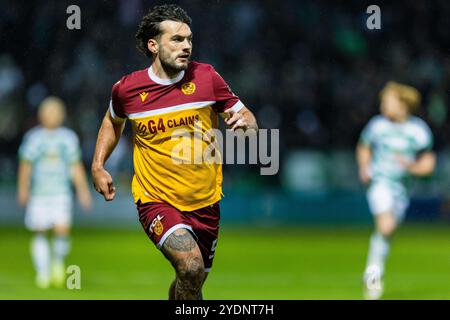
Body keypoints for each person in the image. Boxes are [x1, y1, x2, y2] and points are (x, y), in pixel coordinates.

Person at [91, 4, 258, 300]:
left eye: (189, 39)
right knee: (190, 266)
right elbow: (112, 121)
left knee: (190, 283)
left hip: (205, 204)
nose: (187, 46)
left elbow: (247, 119)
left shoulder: (207, 78)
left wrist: (245, 124)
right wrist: (98, 165)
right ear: (153, 45)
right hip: (156, 199)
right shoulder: (127, 89)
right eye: (177, 40)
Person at [356, 81, 436, 300]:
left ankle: (373, 270)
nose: (383, 105)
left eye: (388, 101)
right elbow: (363, 146)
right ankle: (373, 276)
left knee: (386, 233)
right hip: (380, 182)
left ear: (403, 105)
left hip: (402, 189)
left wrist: (412, 167)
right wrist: (364, 167)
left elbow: (428, 163)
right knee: (386, 225)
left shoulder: (418, 130)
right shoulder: (377, 126)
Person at [17, 96, 92, 289]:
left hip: (61, 193)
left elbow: (75, 167)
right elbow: (26, 165)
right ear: (41, 115)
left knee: (61, 229)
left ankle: (57, 263)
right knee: (40, 230)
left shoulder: (68, 138)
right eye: (48, 112)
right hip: (39, 193)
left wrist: (83, 191)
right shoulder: (33, 138)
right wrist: (23, 188)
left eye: (55, 112)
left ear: (62, 115)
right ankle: (42, 273)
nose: (51, 116)